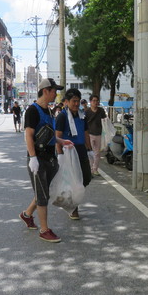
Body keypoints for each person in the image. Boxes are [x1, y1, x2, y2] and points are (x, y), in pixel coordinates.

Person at [19, 78, 73, 243]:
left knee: (44, 191)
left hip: (50, 158)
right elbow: (29, 135)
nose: (56, 94)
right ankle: (44, 230)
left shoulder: (49, 111)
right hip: (38, 159)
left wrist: (62, 142)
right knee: (42, 195)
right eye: (54, 91)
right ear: (45, 91)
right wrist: (33, 158)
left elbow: (49, 135)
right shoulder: (32, 111)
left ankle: (27, 214)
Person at [55, 88, 93, 220]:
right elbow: (58, 136)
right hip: (69, 151)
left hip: (81, 149)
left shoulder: (82, 115)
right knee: (73, 179)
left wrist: (90, 149)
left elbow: (86, 133)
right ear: (66, 101)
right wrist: (60, 154)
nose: (76, 104)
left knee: (86, 177)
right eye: (73, 101)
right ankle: (73, 207)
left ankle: (71, 200)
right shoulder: (62, 116)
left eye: (78, 101)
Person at [84, 94, 107, 176]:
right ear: (90, 102)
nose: (95, 102)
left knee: (97, 153)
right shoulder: (87, 112)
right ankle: (90, 169)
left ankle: (95, 169)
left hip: (99, 134)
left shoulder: (101, 111)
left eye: (97, 101)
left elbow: (105, 121)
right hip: (89, 134)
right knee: (90, 152)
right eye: (94, 101)